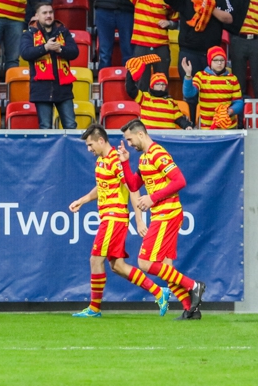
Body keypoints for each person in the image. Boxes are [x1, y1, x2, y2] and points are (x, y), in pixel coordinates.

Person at [70, 124, 171, 317]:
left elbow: (132, 188)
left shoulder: (115, 160)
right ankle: (159, 292)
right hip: (109, 218)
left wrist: (139, 220)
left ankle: (94, 309)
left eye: (90, 145)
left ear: (101, 140)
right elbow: (102, 186)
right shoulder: (101, 161)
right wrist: (82, 200)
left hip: (114, 218)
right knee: (117, 266)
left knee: (95, 260)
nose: (89, 149)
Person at [117, 120, 206, 320]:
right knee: (166, 265)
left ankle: (194, 285)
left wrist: (152, 198)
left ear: (141, 134)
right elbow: (133, 185)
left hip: (167, 214)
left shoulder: (158, 153)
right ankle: (190, 310)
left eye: (130, 140)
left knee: (145, 262)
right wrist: (124, 161)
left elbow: (180, 181)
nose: (129, 144)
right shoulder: (144, 158)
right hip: (162, 214)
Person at [19, 2, 79, 130]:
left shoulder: (63, 31)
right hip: (41, 89)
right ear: (37, 16)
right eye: (44, 13)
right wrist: (45, 47)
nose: (48, 15)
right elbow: (25, 53)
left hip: (63, 89)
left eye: (50, 12)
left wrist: (60, 49)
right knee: (45, 127)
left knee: (71, 126)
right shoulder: (29, 34)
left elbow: (74, 52)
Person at [165, 0, 233, 80]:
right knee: (190, 90)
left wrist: (210, 8)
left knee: (212, 90)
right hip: (189, 52)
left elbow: (229, 18)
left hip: (212, 54)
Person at [182, 46, 244, 129]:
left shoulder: (233, 78)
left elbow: (239, 102)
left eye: (222, 60)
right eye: (216, 60)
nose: (219, 63)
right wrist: (188, 75)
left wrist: (230, 111)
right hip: (207, 128)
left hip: (228, 127)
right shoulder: (200, 76)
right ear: (210, 61)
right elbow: (189, 94)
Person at [125, 60, 192, 130]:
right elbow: (130, 89)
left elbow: (179, 118)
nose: (161, 86)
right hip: (148, 135)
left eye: (163, 84)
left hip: (167, 135)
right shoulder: (144, 97)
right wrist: (130, 71)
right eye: (157, 84)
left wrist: (187, 126)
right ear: (152, 86)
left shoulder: (171, 102)